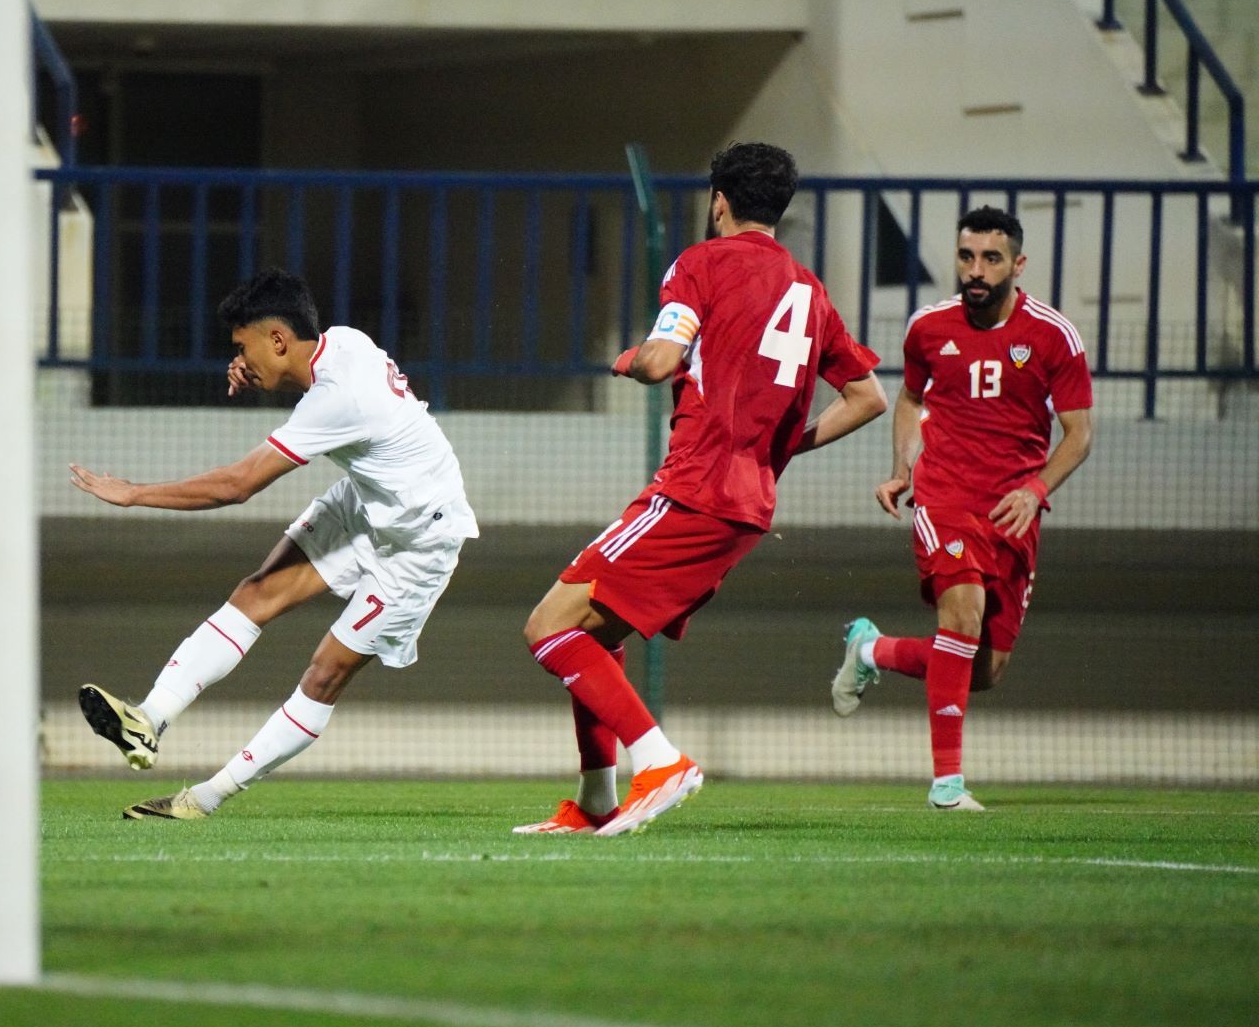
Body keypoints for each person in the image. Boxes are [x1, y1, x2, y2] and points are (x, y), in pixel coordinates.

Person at [519, 141, 887, 837]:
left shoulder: (701, 263)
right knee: (597, 631)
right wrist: (779, 449)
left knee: (548, 625)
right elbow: (867, 397)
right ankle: (596, 800)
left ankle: (658, 761)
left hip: (694, 487)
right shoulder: (810, 291)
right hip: (744, 502)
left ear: (718, 199)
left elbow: (661, 359)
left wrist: (624, 358)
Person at [69, 267, 477, 820]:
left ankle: (203, 798)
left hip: (420, 538)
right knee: (256, 592)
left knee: (325, 670)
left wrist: (135, 493)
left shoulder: (337, 397)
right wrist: (264, 369)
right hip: (369, 502)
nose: (240, 356)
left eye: (244, 345)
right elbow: (304, 382)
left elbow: (237, 487)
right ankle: (147, 719)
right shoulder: (345, 342)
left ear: (279, 339)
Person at [830, 206, 1093, 810]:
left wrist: (1034, 491)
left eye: (991, 258)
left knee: (983, 671)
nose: (975, 270)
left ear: (1017, 265)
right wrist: (903, 468)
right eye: (966, 256)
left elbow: (1078, 435)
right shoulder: (928, 328)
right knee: (963, 618)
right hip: (945, 496)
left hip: (1013, 513)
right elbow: (908, 399)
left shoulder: (1054, 336)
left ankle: (871, 650)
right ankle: (947, 787)